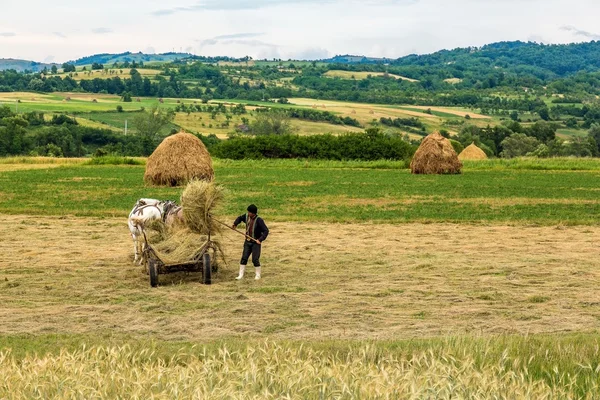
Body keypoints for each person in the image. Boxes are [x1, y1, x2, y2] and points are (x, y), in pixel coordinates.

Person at [232, 204, 269, 280]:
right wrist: (235, 224)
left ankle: (258, 275)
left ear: (253, 213)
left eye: (249, 212)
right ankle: (240, 275)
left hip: (255, 243)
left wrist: (260, 239)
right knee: (244, 258)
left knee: (255, 259)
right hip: (247, 242)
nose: (248, 213)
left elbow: (266, 231)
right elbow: (240, 218)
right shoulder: (246, 217)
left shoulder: (259, 220)